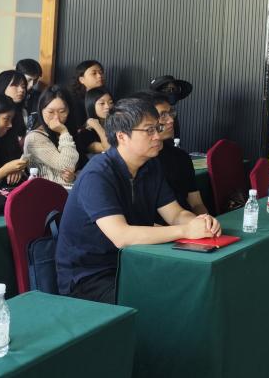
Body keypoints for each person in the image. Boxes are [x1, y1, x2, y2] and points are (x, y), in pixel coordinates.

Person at [55, 97, 221, 303]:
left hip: (133, 261)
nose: (158, 136)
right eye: (149, 130)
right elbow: (121, 236)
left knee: (193, 283)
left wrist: (200, 222)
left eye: (158, 128)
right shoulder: (97, 175)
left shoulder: (151, 166)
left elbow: (176, 214)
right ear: (122, 136)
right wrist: (186, 231)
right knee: (166, 299)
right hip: (90, 277)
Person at [137, 90, 207, 216]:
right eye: (163, 115)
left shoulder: (181, 157)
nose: (171, 120)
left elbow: (196, 203)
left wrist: (204, 220)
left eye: (171, 113)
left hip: (184, 220)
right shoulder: (138, 162)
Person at [21, 84, 80, 185]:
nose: (56, 117)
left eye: (62, 111)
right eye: (50, 112)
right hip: (45, 191)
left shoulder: (66, 133)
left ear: (69, 111)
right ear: (41, 111)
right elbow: (66, 165)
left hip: (67, 189)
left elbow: (73, 169)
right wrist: (63, 132)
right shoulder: (34, 137)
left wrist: (73, 177)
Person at [74, 86, 113, 157]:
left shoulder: (115, 125)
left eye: (110, 102)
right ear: (91, 105)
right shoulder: (85, 132)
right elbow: (108, 148)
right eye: (102, 103)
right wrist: (97, 126)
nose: (108, 106)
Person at [0, 69, 29, 140]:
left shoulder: (23, 112)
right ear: (3, 86)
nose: (21, 90)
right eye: (15, 85)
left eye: (23, 86)